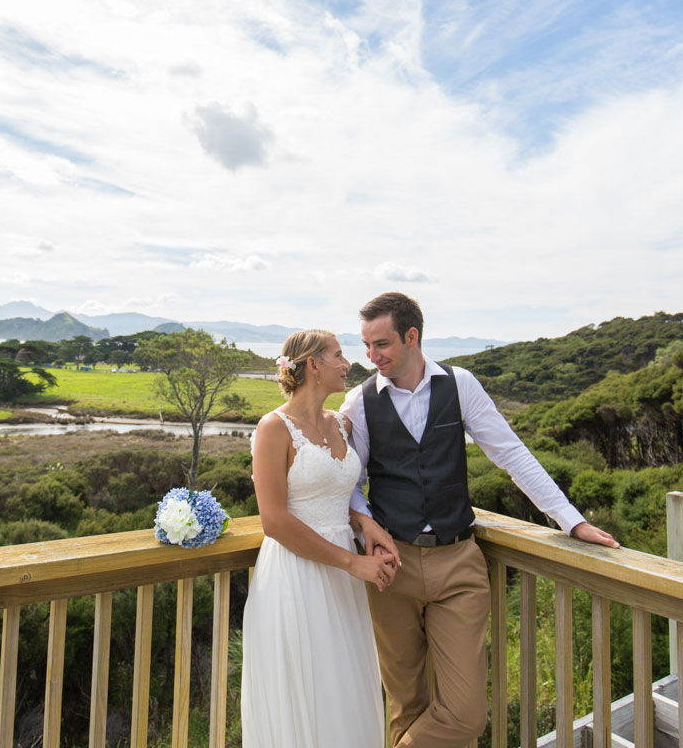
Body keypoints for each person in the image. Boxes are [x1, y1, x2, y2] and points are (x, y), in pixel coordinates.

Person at [342, 292, 619, 748]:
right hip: (391, 566)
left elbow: (511, 453)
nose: (372, 357)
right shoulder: (360, 402)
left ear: (412, 337)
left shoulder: (460, 385)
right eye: (367, 345)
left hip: (458, 566)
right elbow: (349, 481)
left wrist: (571, 521)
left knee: (465, 714)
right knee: (405, 705)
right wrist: (366, 525)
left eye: (382, 344)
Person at [241, 329, 396, 748]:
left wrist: (364, 524)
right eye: (339, 356)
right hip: (296, 575)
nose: (348, 364)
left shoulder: (340, 423)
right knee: (305, 689)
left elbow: (340, 491)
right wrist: (353, 562)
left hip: (344, 577)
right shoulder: (272, 428)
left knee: (345, 688)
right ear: (313, 366)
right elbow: (273, 520)